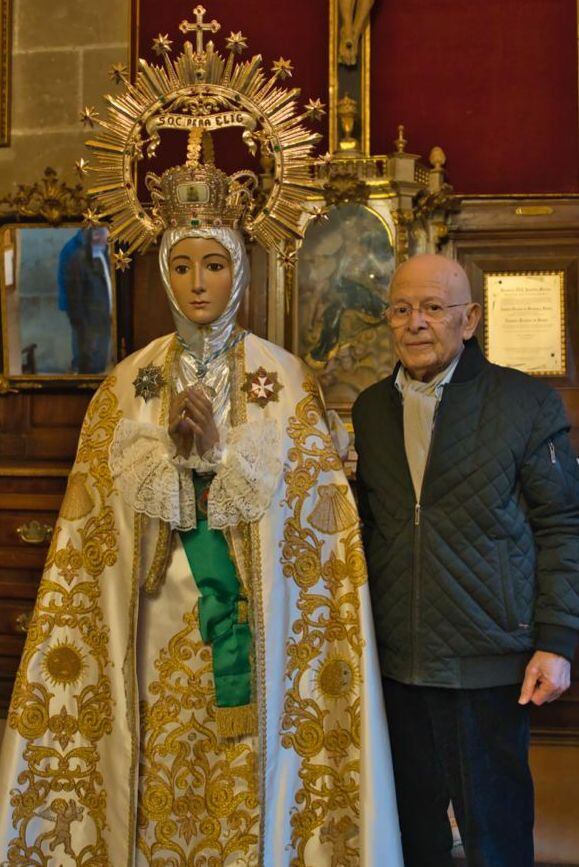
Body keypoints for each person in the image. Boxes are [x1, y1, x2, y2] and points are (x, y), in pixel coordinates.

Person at [0, 13, 404, 855]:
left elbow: (317, 533)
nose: (197, 283)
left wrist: (221, 463)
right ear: (161, 267)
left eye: (213, 263)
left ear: (241, 267)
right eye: (181, 264)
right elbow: (93, 541)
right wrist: (175, 474)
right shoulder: (127, 383)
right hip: (153, 621)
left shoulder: (286, 379)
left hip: (256, 629)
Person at [352, 253, 579, 867]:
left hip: (490, 660)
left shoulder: (525, 403)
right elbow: (365, 526)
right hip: (396, 663)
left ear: (469, 319)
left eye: (433, 307)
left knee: (495, 838)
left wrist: (557, 642)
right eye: (401, 309)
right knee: (411, 838)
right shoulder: (370, 411)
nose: (415, 323)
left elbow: (563, 525)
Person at [57, 226, 111, 373]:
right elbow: (69, 284)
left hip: (98, 313)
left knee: (97, 352)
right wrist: (74, 313)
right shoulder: (74, 251)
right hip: (82, 311)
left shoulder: (101, 251)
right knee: (85, 352)